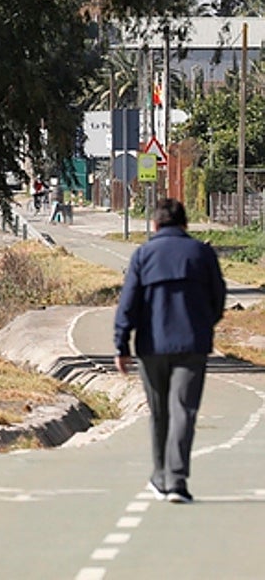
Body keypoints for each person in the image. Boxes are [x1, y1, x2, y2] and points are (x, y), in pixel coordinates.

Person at [114, 198, 225, 504]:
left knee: (159, 412)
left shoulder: (143, 255)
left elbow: (129, 304)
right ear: (185, 225)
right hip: (192, 346)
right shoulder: (202, 253)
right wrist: (203, 325)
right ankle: (174, 480)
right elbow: (218, 298)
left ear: (154, 225)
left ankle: (160, 476)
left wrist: (121, 345)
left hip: (151, 347)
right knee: (183, 411)